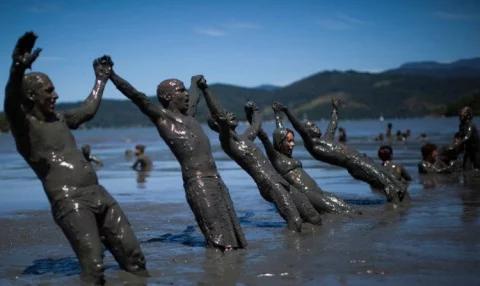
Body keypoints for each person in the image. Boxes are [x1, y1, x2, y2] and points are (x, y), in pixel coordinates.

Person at [4, 32, 147, 284]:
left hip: (100, 194)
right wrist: (17, 69)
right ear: (31, 96)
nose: (56, 95)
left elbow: (88, 110)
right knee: (94, 267)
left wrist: (100, 79)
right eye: (49, 91)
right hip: (71, 202)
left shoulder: (61, 119)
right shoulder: (24, 127)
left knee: (134, 258)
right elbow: (11, 103)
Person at [109, 64, 246, 250]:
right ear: (168, 97)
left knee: (236, 236)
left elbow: (195, 95)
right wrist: (112, 75)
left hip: (217, 180)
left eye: (185, 90)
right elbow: (136, 96)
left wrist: (195, 82)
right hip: (198, 182)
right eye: (181, 90)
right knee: (220, 240)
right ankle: (218, 272)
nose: (186, 94)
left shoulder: (190, 117)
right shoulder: (163, 118)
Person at [196, 77, 321, 231]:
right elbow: (219, 114)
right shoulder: (228, 142)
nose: (231, 115)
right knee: (295, 221)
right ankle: (292, 252)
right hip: (269, 185)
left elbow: (256, 123)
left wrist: (255, 110)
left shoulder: (246, 138)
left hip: (280, 180)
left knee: (313, 217)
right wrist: (205, 89)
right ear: (218, 123)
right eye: (227, 114)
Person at [273, 99, 408, 203]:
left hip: (362, 159)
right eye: (312, 126)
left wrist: (335, 109)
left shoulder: (326, 140)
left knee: (392, 180)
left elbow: (332, 125)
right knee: (387, 185)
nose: (315, 127)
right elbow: (299, 128)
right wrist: (286, 110)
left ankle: (401, 206)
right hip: (356, 164)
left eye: (314, 125)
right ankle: (395, 213)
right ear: (307, 132)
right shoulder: (312, 145)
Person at [256, 107, 354, 215]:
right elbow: (266, 139)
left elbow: (280, 129)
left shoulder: (289, 156)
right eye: (289, 141)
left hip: (318, 190)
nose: (292, 144)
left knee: (345, 206)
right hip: (307, 193)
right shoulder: (276, 157)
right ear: (279, 142)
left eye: (293, 141)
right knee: (338, 211)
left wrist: (277, 114)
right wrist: (255, 121)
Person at [449, 106, 480, 171]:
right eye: (460, 114)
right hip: (468, 150)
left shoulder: (470, 125)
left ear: (468, 116)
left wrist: (458, 143)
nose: (460, 116)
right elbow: (460, 135)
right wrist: (455, 140)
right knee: (465, 168)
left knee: (477, 167)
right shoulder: (461, 125)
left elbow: (467, 136)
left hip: (476, 150)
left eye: (462, 114)